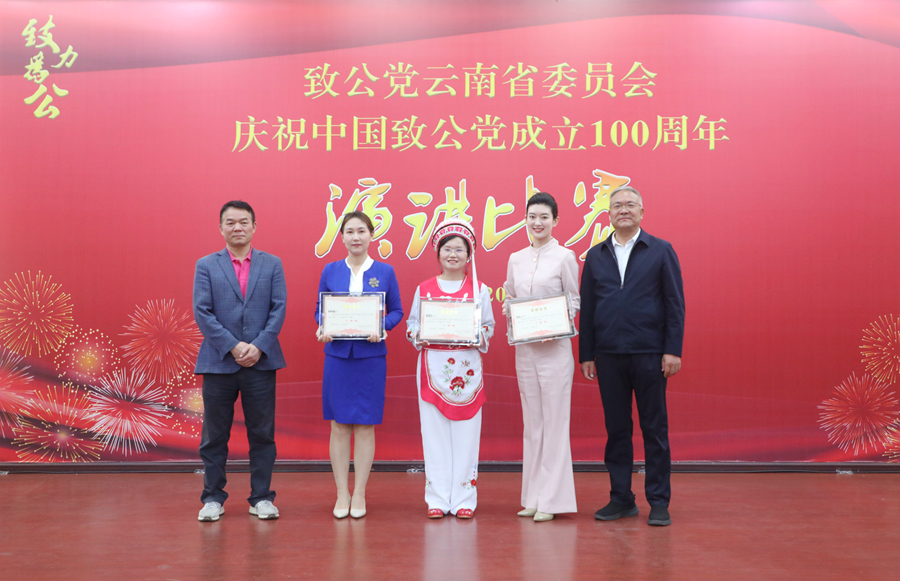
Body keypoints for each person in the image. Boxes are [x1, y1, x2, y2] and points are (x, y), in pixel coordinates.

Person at [579, 185, 685, 527]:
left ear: (641, 212)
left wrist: (672, 350)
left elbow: (674, 304)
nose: (623, 210)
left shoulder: (660, 250)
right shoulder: (596, 255)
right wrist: (586, 354)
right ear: (608, 214)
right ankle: (621, 498)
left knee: (654, 428)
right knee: (616, 429)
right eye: (617, 205)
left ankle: (659, 501)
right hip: (608, 355)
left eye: (630, 205)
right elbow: (588, 308)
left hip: (650, 354)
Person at [193, 200, 287, 522]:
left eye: (244, 222)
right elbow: (202, 312)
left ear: (254, 227)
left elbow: (278, 309)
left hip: (261, 362)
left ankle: (261, 498)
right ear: (221, 228)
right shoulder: (206, 265)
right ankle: (212, 498)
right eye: (230, 222)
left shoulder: (272, 264)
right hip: (218, 361)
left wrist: (258, 346)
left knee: (262, 434)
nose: (237, 228)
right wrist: (233, 346)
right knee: (214, 436)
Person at [315, 211, 403, 519]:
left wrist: (381, 327)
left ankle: (361, 492)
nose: (356, 237)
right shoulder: (330, 270)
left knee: (365, 425)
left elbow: (397, 311)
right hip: (338, 357)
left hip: (370, 358)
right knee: (339, 425)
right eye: (350, 231)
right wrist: (323, 326)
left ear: (371, 235)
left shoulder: (385, 271)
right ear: (341, 237)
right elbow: (320, 308)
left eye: (361, 231)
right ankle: (342, 492)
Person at [406, 218, 494, 519]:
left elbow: (488, 328)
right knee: (434, 436)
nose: (453, 255)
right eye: (447, 249)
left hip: (466, 370)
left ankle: (464, 498)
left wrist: (477, 333)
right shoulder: (425, 288)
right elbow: (412, 325)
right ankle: (438, 498)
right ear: (438, 252)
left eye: (459, 249)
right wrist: (419, 334)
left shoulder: (480, 289)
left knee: (467, 435)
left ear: (469, 255)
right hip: (432, 367)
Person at [503, 192, 580, 522]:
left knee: (555, 423)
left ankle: (552, 500)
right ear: (525, 219)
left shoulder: (565, 256)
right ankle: (533, 497)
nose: (537, 222)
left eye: (544, 217)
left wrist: (557, 324)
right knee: (533, 424)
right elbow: (509, 297)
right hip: (525, 352)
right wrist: (511, 314)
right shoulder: (515, 258)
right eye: (532, 216)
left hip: (555, 352)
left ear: (555, 221)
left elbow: (573, 300)